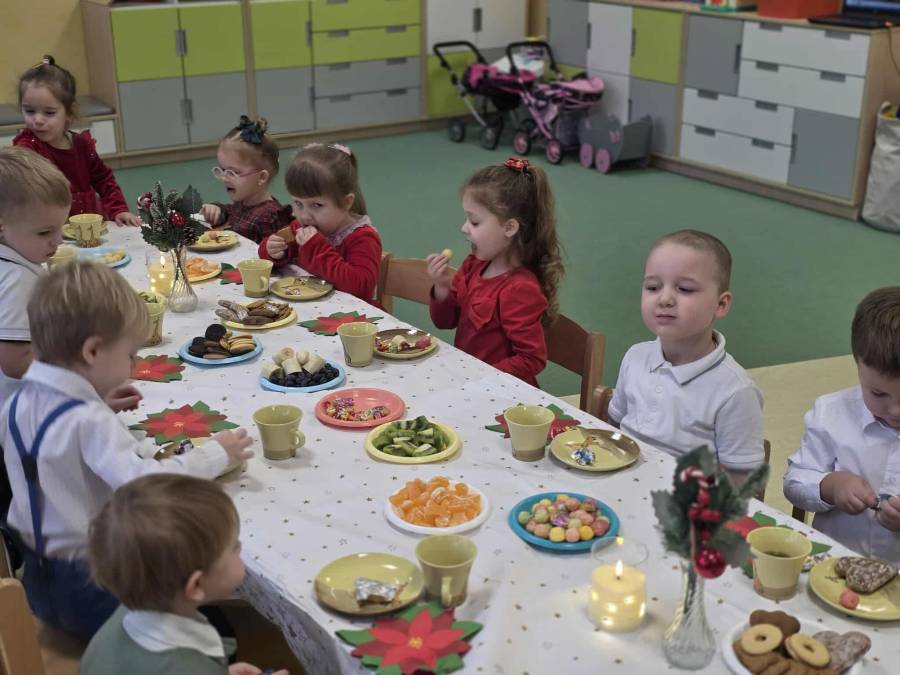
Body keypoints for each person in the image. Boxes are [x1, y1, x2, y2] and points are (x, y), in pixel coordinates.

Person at [0, 261, 253, 639]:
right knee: (212, 627)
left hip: (37, 580)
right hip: (92, 587)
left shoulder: (16, 403)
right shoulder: (88, 420)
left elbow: (50, 446)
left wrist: (97, 400)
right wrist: (217, 455)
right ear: (92, 351)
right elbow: (145, 486)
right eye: (130, 354)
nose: (134, 366)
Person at [81, 474, 288, 675]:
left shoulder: (128, 611)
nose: (240, 548)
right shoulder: (190, 668)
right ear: (196, 585)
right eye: (234, 547)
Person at [608, 229, 764, 480]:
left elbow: (742, 478)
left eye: (685, 289)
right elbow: (614, 424)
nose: (665, 299)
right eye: (653, 287)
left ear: (721, 304)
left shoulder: (736, 391)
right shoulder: (635, 356)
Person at [784, 287, 900, 563]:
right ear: (857, 365)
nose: (896, 410)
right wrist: (831, 486)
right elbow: (794, 482)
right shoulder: (831, 413)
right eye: (879, 393)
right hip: (832, 567)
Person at [427, 157, 564, 386]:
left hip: (504, 393)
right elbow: (445, 321)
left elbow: (531, 359)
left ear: (509, 227)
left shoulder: (520, 289)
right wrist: (442, 287)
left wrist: (481, 375)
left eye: (474, 222)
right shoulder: (472, 266)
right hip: (471, 383)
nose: (464, 228)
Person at [14, 55, 140, 225]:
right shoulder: (27, 148)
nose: (37, 120)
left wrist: (119, 210)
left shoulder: (82, 144)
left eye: (49, 113)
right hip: (50, 228)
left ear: (69, 112)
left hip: (89, 226)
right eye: (29, 111)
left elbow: (104, 180)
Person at [258, 143, 381, 303]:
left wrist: (316, 248)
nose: (304, 215)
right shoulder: (300, 227)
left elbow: (361, 288)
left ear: (346, 202)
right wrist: (272, 251)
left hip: (350, 314)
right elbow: (267, 257)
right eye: (298, 203)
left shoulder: (363, 238)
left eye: (316, 205)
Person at [199, 116, 289, 243]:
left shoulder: (269, 218)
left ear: (261, 177)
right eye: (222, 170)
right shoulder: (244, 202)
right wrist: (217, 211)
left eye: (233, 172)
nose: (224, 178)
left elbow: (274, 253)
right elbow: (230, 212)